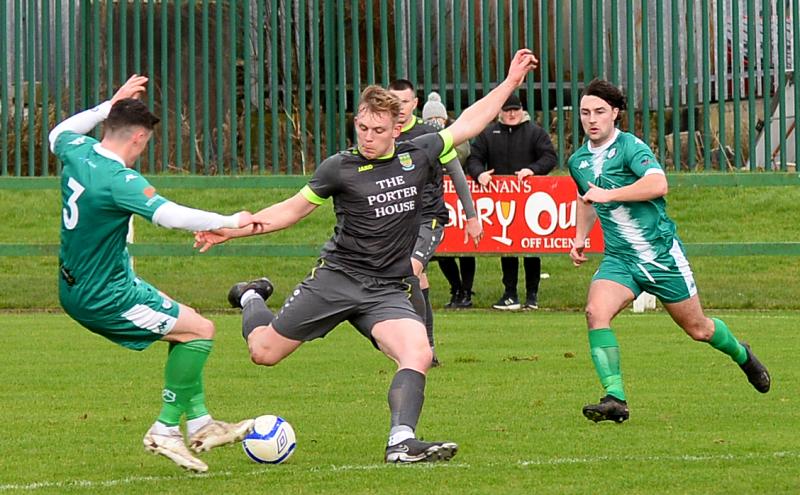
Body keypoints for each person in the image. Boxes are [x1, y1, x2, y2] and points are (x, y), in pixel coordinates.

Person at [194, 49, 539, 463]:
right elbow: (290, 211)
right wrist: (230, 229)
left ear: (397, 128)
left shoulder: (421, 151)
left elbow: (470, 122)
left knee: (419, 353)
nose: (367, 136)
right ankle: (251, 296)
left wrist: (510, 83)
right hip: (336, 280)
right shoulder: (338, 168)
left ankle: (401, 441)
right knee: (263, 353)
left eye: (377, 129)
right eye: (361, 127)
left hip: (386, 290)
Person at [50, 75, 257, 473]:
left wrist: (106, 105)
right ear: (139, 140)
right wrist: (231, 219)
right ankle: (164, 429)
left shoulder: (78, 151)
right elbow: (170, 215)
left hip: (87, 283)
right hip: (104, 295)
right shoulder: (117, 180)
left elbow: (59, 131)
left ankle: (201, 422)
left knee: (190, 320)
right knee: (200, 330)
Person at [568, 78, 771, 423]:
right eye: (586, 113)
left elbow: (658, 183)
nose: (592, 119)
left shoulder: (631, 148)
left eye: (600, 112)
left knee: (699, 330)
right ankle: (615, 397)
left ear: (615, 114)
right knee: (594, 312)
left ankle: (742, 354)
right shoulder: (579, 160)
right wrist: (579, 235)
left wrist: (610, 194)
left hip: (661, 256)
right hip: (620, 259)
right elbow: (586, 198)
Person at [387, 82, 482, 365]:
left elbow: (456, 172)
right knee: (417, 279)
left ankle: (422, 349)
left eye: (404, 102)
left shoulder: (430, 135)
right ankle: (424, 349)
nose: (400, 108)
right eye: (394, 102)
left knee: (410, 273)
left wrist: (471, 215)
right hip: (398, 221)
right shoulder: (383, 135)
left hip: (429, 218)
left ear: (414, 104)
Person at [466, 93, 557, 310]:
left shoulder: (534, 132)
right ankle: (510, 294)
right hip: (501, 201)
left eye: (515, 109)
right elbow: (474, 158)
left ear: (522, 110)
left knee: (531, 249)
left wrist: (532, 170)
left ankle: (532, 296)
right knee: (507, 247)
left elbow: (549, 157)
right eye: (507, 110)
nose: (512, 114)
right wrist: (480, 174)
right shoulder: (489, 134)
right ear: (500, 112)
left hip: (529, 201)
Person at [422, 92, 477, 309]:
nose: (434, 123)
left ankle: (466, 290)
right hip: (437, 200)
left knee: (465, 249)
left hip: (458, 196)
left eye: (437, 118)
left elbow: (462, 155)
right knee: (443, 250)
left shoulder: (455, 135)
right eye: (430, 120)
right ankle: (456, 288)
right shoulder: (424, 137)